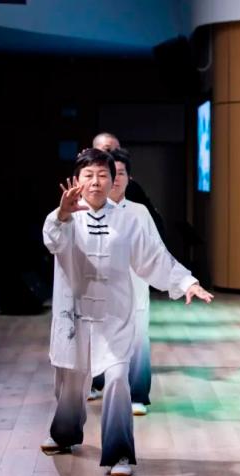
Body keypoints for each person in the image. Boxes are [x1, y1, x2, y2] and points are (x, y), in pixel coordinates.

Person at [40, 148, 212, 476]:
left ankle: (119, 452)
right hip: (74, 316)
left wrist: (186, 282)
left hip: (113, 317)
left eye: (103, 175)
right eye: (88, 175)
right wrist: (62, 214)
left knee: (118, 379)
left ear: (114, 181)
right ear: (76, 180)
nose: (96, 182)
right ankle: (65, 434)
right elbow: (53, 242)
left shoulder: (130, 219)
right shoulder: (64, 217)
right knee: (71, 382)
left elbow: (154, 257)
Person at [89, 148, 161, 416]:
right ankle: (96, 383)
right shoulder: (88, 210)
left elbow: (156, 251)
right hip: (99, 289)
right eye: (111, 173)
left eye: (121, 173)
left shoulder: (140, 212)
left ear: (129, 178)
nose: (115, 179)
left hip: (134, 287)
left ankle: (137, 395)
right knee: (96, 338)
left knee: (138, 340)